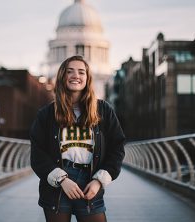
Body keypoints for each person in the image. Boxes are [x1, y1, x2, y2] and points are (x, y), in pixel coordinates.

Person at [30, 55, 125, 222]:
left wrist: (99, 181)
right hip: (57, 184)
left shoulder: (103, 110)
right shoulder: (46, 114)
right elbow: (37, 153)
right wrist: (62, 180)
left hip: (90, 179)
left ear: (87, 79)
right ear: (62, 77)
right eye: (70, 71)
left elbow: (117, 147)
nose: (76, 76)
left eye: (81, 72)